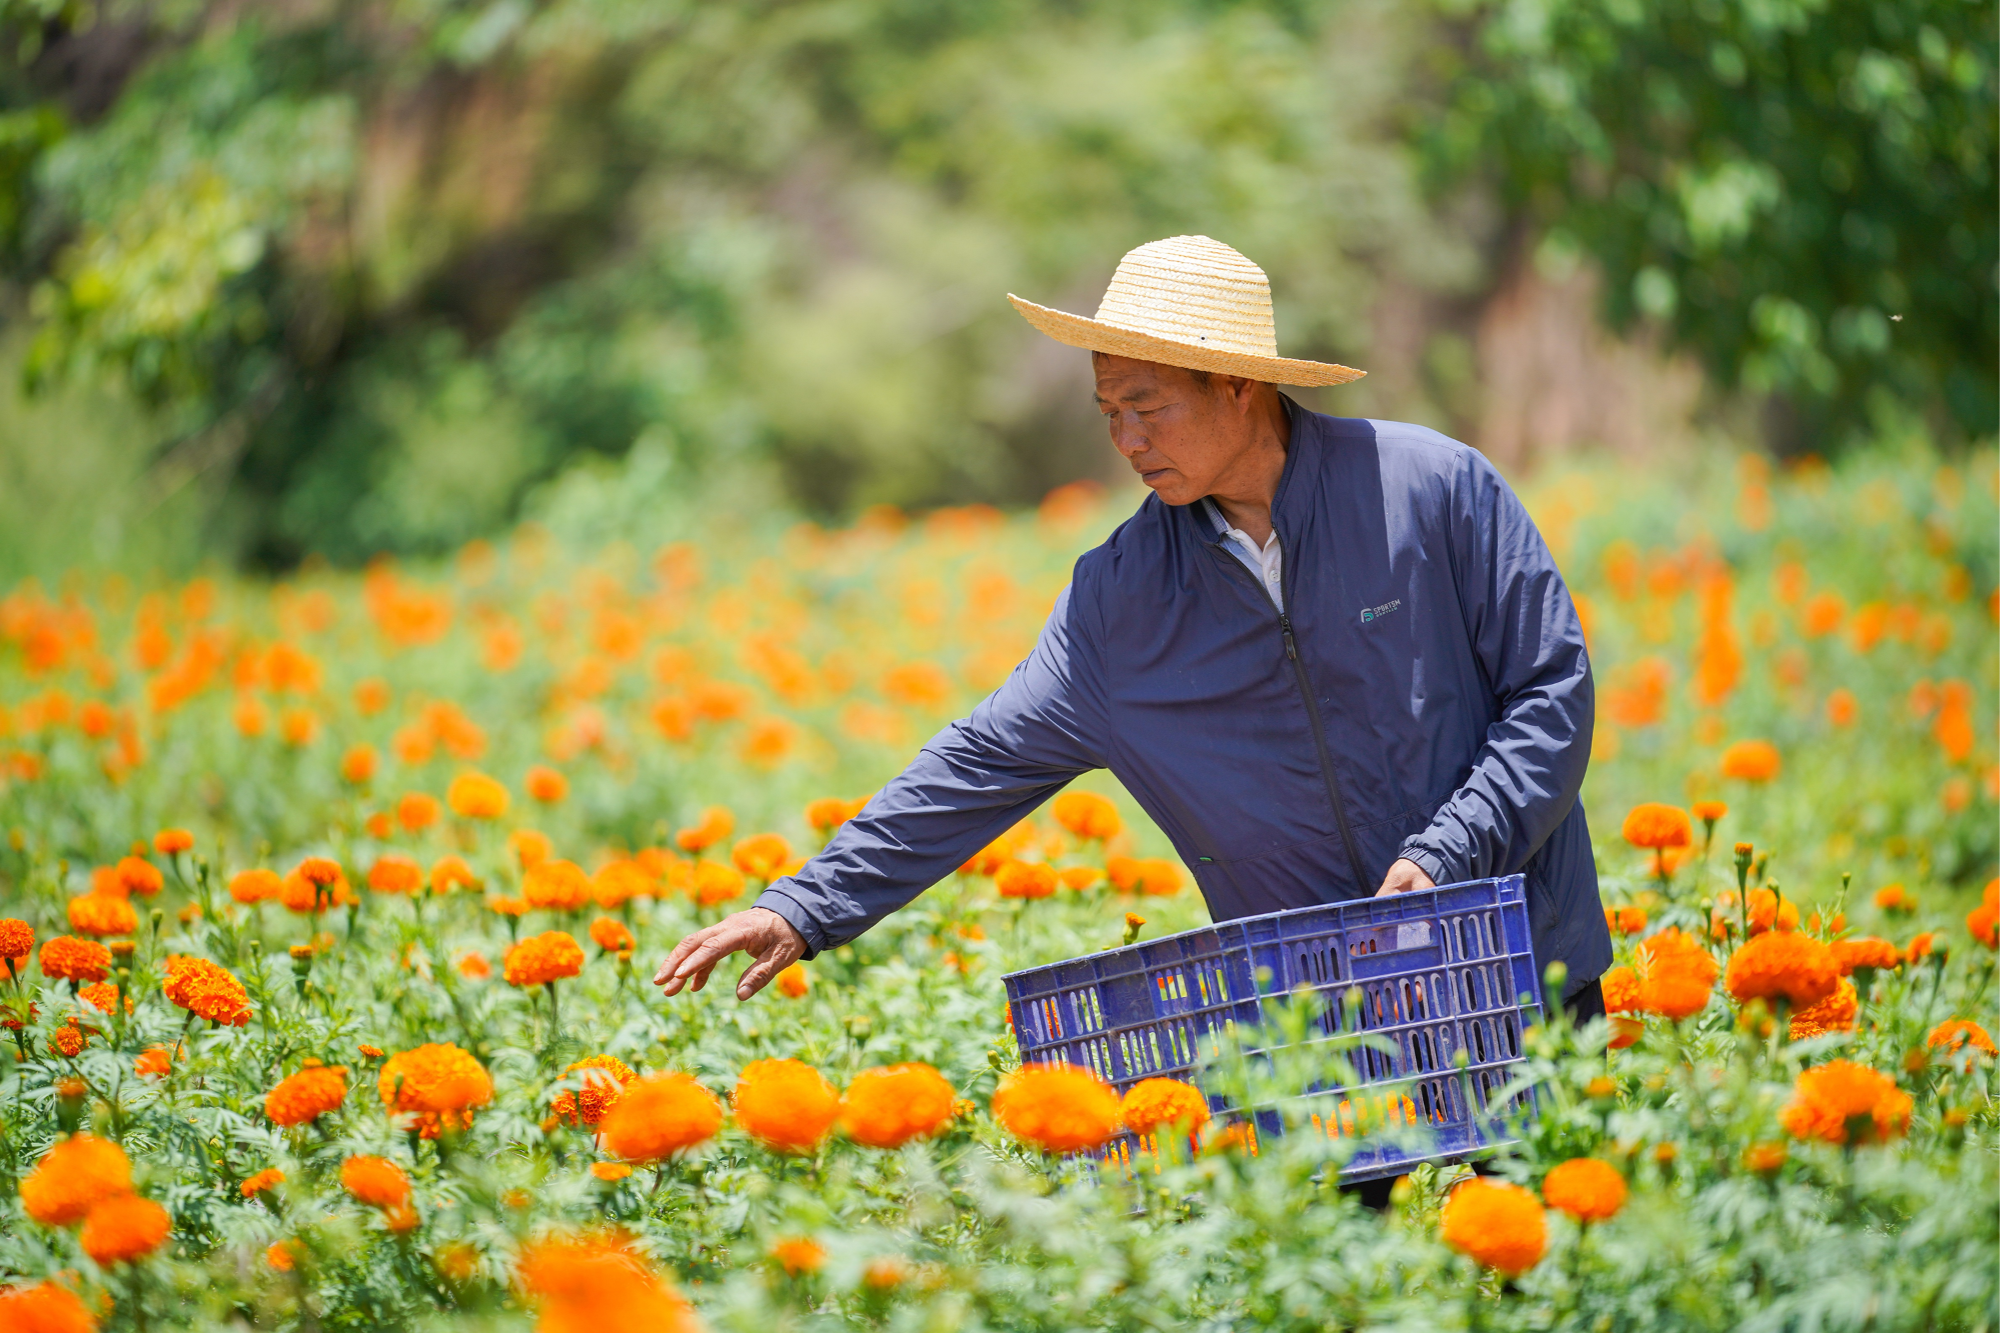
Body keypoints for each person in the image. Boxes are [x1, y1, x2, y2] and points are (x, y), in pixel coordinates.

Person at [653, 234, 1611, 1019]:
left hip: (1518, 956)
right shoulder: (1121, 601)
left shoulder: (1431, 491)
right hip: (1321, 1010)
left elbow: (1552, 696)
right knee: (1326, 1255)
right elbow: (978, 762)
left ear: (1239, 386)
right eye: (1109, 410)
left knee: (1541, 1242)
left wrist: (1445, 854)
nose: (1126, 439)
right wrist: (803, 907)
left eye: (1148, 407)